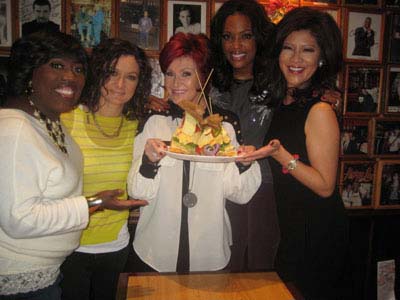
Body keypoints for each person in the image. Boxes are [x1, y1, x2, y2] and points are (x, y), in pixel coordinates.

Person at [0, 31, 129, 300]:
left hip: (46, 274)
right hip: (18, 282)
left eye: (78, 69)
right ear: (30, 71)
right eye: (57, 65)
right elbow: (18, 218)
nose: (70, 77)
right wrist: (94, 203)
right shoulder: (15, 127)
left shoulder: (49, 123)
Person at [127, 32, 262, 272]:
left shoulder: (225, 124)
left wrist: (245, 162)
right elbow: (137, 191)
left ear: (204, 77)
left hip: (210, 250)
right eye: (169, 73)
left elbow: (238, 194)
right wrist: (148, 162)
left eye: (186, 74)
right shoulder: (154, 122)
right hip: (154, 251)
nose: (175, 83)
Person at [239, 7, 349, 299]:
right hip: (292, 229)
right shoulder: (285, 101)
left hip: (319, 233)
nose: (296, 59)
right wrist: (260, 151)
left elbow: (325, 186)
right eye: (288, 48)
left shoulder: (320, 110)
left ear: (322, 57)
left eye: (307, 50)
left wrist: (279, 155)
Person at [60, 38, 151, 300]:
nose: (120, 85)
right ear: (98, 72)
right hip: (71, 246)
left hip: (117, 245)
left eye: (130, 77)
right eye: (112, 73)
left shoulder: (139, 126)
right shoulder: (68, 118)